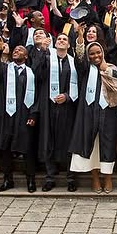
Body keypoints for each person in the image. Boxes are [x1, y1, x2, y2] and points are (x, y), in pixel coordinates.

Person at [69, 40, 117, 193]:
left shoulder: (111, 68)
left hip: (108, 112)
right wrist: (81, 39)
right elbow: (79, 59)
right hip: (88, 112)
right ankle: (95, 178)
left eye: (98, 52)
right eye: (92, 54)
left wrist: (106, 71)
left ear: (103, 53)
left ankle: (107, 178)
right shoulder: (85, 69)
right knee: (91, 145)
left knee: (107, 144)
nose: (95, 56)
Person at [0, 38, 40, 193]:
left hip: (24, 115)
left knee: (28, 148)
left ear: (26, 56)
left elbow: (37, 96)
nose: (17, 51)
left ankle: (30, 180)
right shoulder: (4, 69)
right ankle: (7, 179)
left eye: (20, 50)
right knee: (5, 148)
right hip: (5, 114)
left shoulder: (32, 73)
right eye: (15, 50)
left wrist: (33, 115)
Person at [34, 32, 79, 192]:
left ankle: (71, 177)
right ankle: (50, 177)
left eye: (64, 39)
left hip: (67, 107)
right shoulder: (47, 59)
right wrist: (42, 51)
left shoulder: (73, 63)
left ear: (68, 45)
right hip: (49, 105)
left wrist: (67, 96)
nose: (61, 40)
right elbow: (37, 74)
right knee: (48, 139)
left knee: (67, 142)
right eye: (59, 38)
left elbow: (78, 84)